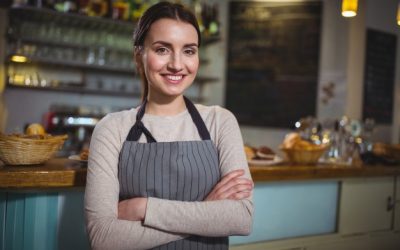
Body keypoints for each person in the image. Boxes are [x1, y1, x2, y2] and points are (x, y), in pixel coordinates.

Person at [84, 2, 254, 249]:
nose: (177, 64)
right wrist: (206, 212)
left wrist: (145, 208)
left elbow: (241, 218)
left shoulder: (220, 121)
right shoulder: (111, 129)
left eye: (189, 51)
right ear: (139, 55)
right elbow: (103, 238)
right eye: (162, 49)